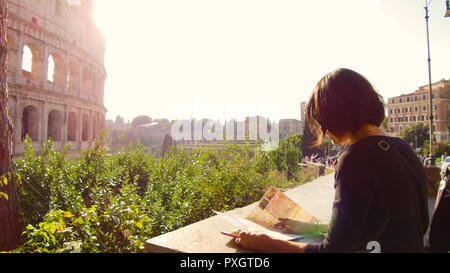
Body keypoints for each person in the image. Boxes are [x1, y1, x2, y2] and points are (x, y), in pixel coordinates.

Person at [236, 68, 429, 253]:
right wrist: (309, 228)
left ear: (333, 115)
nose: (322, 128)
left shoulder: (355, 159)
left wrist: (266, 243)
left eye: (320, 118)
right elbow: (368, 222)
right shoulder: (403, 147)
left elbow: (335, 250)